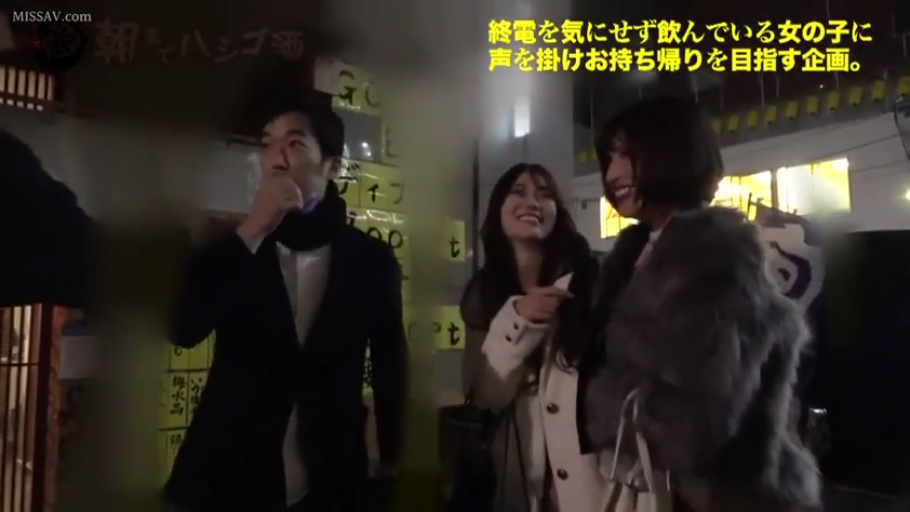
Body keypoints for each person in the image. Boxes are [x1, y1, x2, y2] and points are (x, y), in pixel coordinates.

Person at [579, 97, 822, 512]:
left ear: (673, 153)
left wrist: (595, 407)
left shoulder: (713, 260)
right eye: (609, 158)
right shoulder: (642, 252)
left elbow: (689, 430)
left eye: (627, 155)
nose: (613, 173)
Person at [165, 99, 408, 512]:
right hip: (227, 473)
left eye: (294, 144)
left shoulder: (370, 259)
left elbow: (390, 362)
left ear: (332, 167)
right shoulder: (233, 245)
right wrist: (253, 229)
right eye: (266, 145)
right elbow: (183, 329)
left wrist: (392, 459)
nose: (276, 159)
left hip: (330, 475)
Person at [460, 163, 602, 512]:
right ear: (498, 210)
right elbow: (484, 395)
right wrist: (519, 318)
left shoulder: (590, 278)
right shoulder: (484, 291)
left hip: (591, 477)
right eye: (518, 192)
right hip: (519, 474)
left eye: (544, 194)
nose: (532, 203)